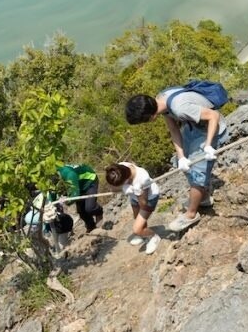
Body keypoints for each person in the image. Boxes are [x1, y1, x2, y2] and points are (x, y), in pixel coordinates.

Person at [124, 86, 227, 232]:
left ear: (150, 117)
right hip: (193, 126)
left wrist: (208, 145)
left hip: (209, 129)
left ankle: (191, 214)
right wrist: (181, 156)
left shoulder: (179, 108)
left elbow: (213, 116)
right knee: (182, 164)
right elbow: (174, 129)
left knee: (198, 172)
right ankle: (203, 198)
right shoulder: (160, 99)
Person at [105, 162, 162, 254]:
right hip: (134, 197)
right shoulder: (119, 169)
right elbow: (112, 189)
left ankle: (153, 237)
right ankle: (144, 235)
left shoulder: (143, 178)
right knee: (137, 218)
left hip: (149, 199)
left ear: (126, 179)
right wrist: (124, 188)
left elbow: (144, 205)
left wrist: (138, 192)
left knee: (137, 229)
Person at [57, 163, 104, 232]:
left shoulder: (69, 174)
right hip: (78, 185)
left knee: (90, 208)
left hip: (89, 181)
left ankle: (99, 212)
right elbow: (52, 192)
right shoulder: (55, 176)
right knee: (81, 212)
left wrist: (67, 201)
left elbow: (75, 195)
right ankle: (91, 226)